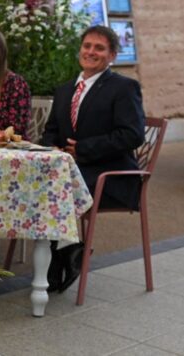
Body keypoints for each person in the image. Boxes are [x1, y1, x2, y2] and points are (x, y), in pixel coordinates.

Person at [41, 25, 145, 291]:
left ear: (112, 56)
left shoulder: (124, 87)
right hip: (71, 174)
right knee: (38, 184)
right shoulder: (65, 90)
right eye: (87, 46)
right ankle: (66, 251)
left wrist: (84, 148)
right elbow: (50, 132)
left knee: (55, 190)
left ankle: (58, 259)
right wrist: (54, 149)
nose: (91, 52)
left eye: (99, 48)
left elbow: (132, 135)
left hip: (110, 177)